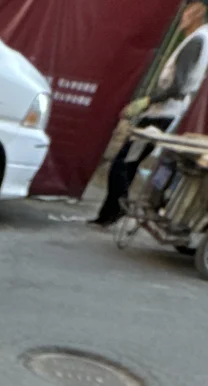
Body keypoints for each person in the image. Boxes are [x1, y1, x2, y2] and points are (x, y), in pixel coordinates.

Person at [90, 0, 208, 227]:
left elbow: (177, 86)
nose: (182, 18)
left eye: (187, 13)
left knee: (122, 163)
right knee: (130, 162)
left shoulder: (195, 41)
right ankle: (108, 214)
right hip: (166, 112)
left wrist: (146, 101)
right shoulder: (202, 39)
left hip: (161, 114)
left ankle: (120, 207)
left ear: (195, 14)